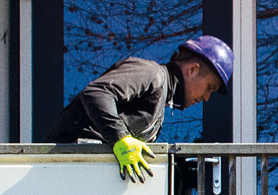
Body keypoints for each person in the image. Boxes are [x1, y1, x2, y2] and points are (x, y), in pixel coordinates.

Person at [46, 35, 234, 183]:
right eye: (209, 87)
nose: (206, 97)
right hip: (68, 171)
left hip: (83, 175)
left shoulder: (161, 97)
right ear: (192, 69)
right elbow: (97, 92)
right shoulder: (152, 74)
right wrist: (121, 138)